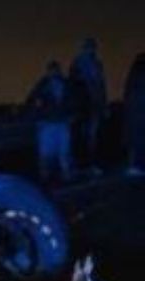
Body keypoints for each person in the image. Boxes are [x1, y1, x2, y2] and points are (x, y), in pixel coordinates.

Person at [26, 61, 74, 183]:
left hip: (62, 122)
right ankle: (46, 179)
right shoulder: (42, 85)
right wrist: (38, 117)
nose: (54, 73)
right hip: (47, 123)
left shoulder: (66, 84)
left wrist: (71, 116)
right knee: (46, 154)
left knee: (64, 152)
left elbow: (72, 102)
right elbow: (32, 100)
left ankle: (66, 176)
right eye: (52, 70)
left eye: (56, 70)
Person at [69, 37, 108, 169]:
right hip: (83, 106)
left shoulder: (97, 64)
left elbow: (102, 86)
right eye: (88, 47)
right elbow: (73, 86)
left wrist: (104, 104)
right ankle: (83, 165)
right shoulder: (77, 64)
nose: (90, 50)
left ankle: (93, 164)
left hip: (96, 105)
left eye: (92, 47)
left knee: (94, 136)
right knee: (83, 136)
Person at [125, 53, 145, 177]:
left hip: (136, 113)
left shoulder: (133, 75)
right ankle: (137, 165)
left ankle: (136, 165)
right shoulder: (138, 75)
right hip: (138, 113)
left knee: (137, 140)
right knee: (139, 140)